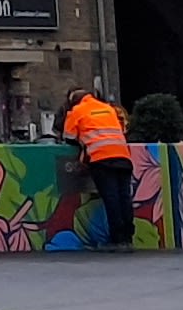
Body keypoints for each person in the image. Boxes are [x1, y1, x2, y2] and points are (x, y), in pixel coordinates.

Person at [57, 85, 135, 247]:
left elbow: (69, 137)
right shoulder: (108, 108)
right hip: (123, 156)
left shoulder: (77, 111)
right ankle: (128, 237)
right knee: (124, 198)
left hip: (101, 159)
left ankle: (117, 239)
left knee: (111, 198)